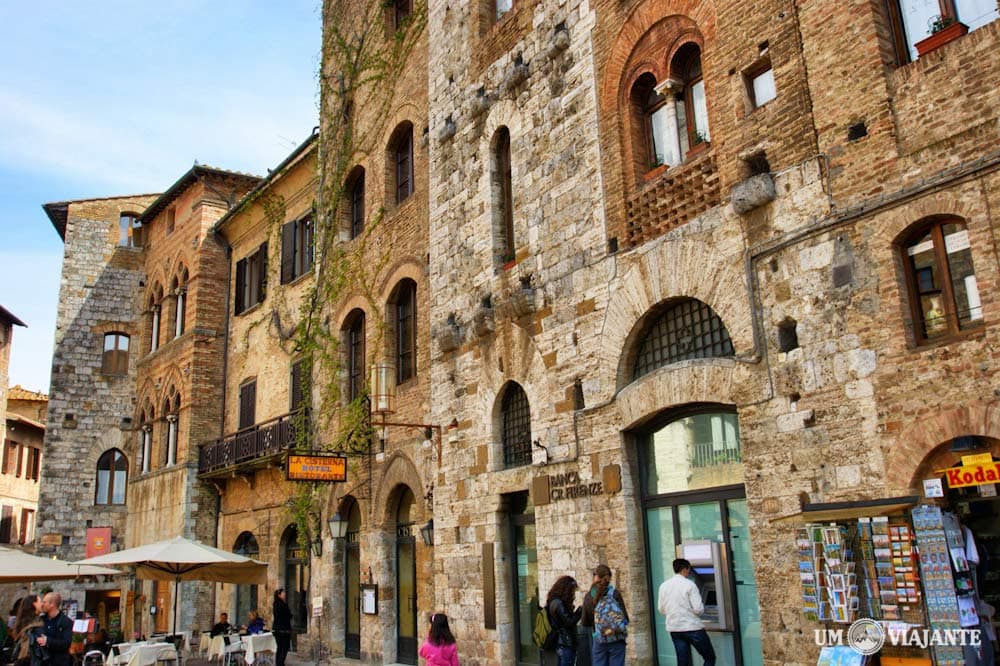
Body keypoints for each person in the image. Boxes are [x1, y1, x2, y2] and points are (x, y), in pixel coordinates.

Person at [657, 559, 716, 666]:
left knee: (683, 662)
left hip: (675, 629)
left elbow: (661, 609)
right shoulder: (690, 585)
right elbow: (699, 609)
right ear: (685, 568)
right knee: (709, 657)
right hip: (692, 628)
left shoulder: (663, 586)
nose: (689, 572)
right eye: (689, 569)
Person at [590, 565, 628, 666]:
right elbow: (625, 618)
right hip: (616, 636)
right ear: (609, 578)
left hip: (599, 638)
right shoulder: (615, 593)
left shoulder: (591, 595)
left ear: (596, 577)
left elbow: (586, 620)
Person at [545, 576, 581, 666]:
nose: (573, 594)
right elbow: (568, 622)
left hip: (561, 642)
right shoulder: (558, 603)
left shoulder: (553, 601)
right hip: (565, 642)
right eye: (572, 591)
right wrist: (579, 612)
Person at [35, 593, 73, 666]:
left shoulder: (66, 622)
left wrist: (48, 641)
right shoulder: (41, 620)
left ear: (52, 604)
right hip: (43, 662)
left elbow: (66, 643)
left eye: (44, 602)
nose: (42, 604)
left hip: (59, 662)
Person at [11, 595, 43, 666]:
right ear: (34, 604)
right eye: (40, 601)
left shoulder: (23, 622)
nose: (42, 603)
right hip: (30, 660)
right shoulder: (34, 625)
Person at [578, 570, 601, 666]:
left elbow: (585, 621)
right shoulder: (613, 592)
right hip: (614, 634)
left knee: (598, 660)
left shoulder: (589, 596)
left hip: (597, 634)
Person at [271, 589, 292, 666]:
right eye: (283, 593)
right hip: (283, 630)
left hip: (278, 629)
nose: (285, 594)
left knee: (280, 648)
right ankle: (280, 663)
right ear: (279, 595)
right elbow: (287, 615)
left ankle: (279, 663)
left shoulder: (276, 604)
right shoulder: (281, 604)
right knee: (284, 648)